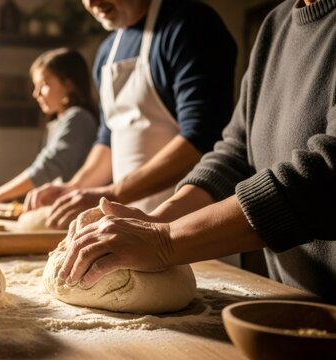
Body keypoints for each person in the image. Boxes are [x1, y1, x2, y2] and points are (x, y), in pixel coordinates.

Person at [56, 0, 336, 303]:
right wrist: (157, 222)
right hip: (297, 305)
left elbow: (325, 176)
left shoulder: (188, 26)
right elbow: (235, 153)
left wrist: (165, 240)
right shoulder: (276, 24)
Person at [24, 0, 237, 229]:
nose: (91, 3)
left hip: (193, 223)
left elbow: (202, 139)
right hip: (130, 222)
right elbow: (108, 139)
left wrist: (114, 193)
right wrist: (74, 189)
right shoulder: (107, 51)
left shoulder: (189, 25)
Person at [0, 48, 98, 204]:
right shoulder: (58, 122)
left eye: (44, 84)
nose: (36, 94)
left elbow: (48, 167)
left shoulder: (78, 118)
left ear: (68, 85)